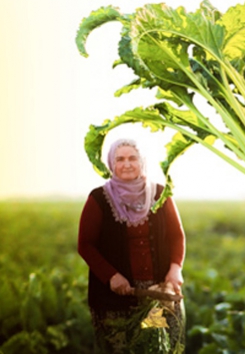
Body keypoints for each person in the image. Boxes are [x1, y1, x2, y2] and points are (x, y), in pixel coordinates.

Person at [78, 138, 186, 353]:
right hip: (116, 298)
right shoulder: (99, 198)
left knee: (156, 346)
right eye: (120, 159)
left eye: (132, 158)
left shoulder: (160, 194)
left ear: (142, 162)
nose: (126, 164)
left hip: (157, 293)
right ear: (111, 164)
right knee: (122, 348)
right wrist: (111, 276)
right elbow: (85, 245)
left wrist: (175, 269)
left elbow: (176, 236)